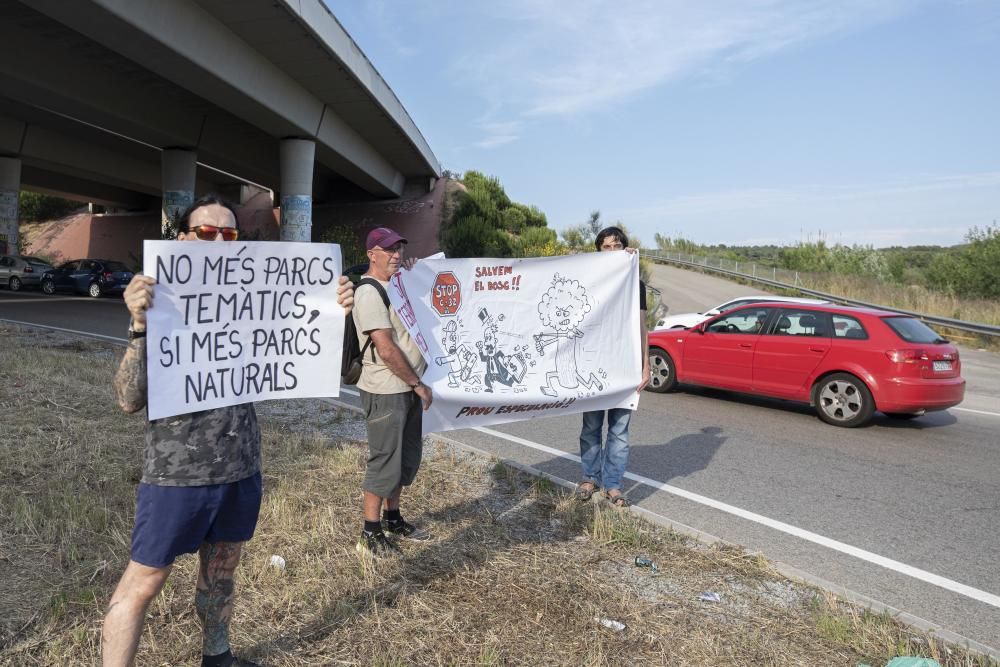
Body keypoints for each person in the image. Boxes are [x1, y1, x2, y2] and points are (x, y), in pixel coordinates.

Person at [103, 195, 355, 667]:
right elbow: (127, 399)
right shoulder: (159, 302)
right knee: (144, 581)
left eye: (229, 233)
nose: (219, 240)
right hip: (177, 475)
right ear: (181, 239)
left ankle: (217, 656)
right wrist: (138, 325)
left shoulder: (252, 294)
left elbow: (336, 369)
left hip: (240, 466)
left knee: (221, 571)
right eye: (206, 232)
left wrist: (334, 314)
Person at [353, 227, 433, 557]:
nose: (397, 254)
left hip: (408, 388)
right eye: (389, 249)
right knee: (385, 459)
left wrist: (417, 273)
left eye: (399, 248)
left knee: (404, 458)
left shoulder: (398, 284)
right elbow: (385, 348)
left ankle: (393, 518)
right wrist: (416, 383)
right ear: (372, 253)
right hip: (387, 388)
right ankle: (369, 533)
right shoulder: (369, 292)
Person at [576, 227, 651, 507]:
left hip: (625, 367)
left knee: (620, 431)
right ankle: (589, 477)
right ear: (598, 251)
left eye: (617, 245)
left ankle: (613, 484)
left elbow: (643, 326)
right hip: (595, 366)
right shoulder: (590, 281)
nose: (612, 249)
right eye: (606, 246)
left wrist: (645, 365)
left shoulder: (636, 286)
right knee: (591, 427)